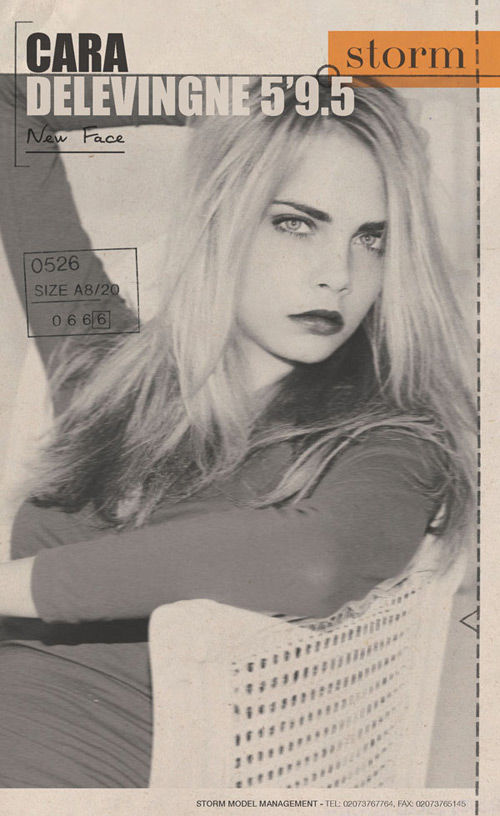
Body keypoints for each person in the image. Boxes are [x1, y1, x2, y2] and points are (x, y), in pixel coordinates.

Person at [0, 76, 474, 787]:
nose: (338, 275)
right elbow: (12, 110)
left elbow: (316, 561)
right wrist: (218, 102)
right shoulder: (109, 372)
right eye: (296, 223)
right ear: (221, 213)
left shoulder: (395, 439)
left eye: (371, 238)